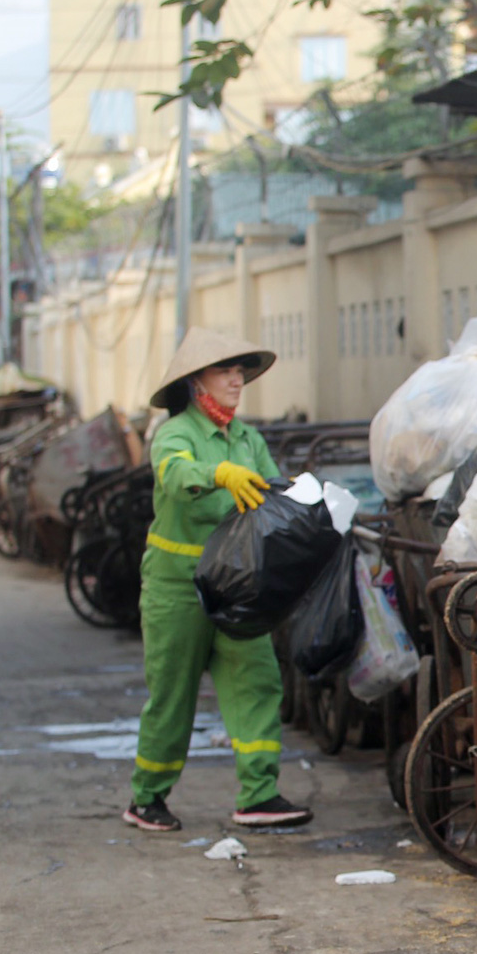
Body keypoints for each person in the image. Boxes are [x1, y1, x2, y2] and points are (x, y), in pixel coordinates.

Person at [122, 328, 313, 833]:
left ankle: (259, 794)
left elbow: (278, 493)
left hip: (237, 586)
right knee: (172, 694)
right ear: (195, 382)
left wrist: (312, 505)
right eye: (225, 370)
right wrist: (219, 473)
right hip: (177, 586)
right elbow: (175, 474)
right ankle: (147, 798)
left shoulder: (247, 439)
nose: (237, 379)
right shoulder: (176, 434)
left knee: (257, 681)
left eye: (241, 371)